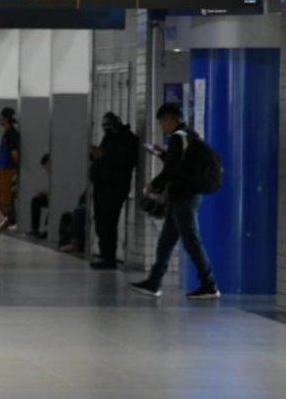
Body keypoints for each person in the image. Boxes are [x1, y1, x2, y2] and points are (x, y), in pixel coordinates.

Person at [130, 103, 220, 299]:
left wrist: (154, 185)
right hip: (182, 195)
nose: (162, 127)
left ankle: (209, 285)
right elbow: (179, 164)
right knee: (166, 242)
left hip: (185, 197)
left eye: (162, 123)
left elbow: (172, 170)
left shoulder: (178, 138)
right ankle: (154, 283)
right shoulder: (189, 135)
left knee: (191, 241)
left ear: (169, 120)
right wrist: (161, 153)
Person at [89, 112, 139, 269]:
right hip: (102, 186)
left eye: (108, 126)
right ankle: (105, 255)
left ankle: (109, 258)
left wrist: (102, 155)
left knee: (108, 222)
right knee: (101, 222)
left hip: (114, 187)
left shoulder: (127, 139)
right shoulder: (110, 138)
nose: (106, 129)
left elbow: (122, 161)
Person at [0, 107, 21, 229]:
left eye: (1, 117)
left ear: (6, 119)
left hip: (8, 170)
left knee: (6, 198)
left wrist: (16, 171)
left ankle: (6, 222)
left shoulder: (11, 134)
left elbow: (14, 154)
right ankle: (2, 218)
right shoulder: (6, 133)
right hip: (2, 170)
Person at [27, 153, 51, 238]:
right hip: (51, 197)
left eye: (46, 166)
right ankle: (35, 229)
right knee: (36, 200)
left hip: (57, 198)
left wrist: (47, 193)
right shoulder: (51, 175)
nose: (46, 169)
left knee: (37, 200)